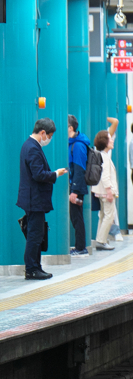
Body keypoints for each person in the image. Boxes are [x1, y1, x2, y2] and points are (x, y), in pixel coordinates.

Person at [19, 118, 67, 280]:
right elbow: (38, 174)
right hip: (34, 199)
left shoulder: (29, 145)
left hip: (33, 198)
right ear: (42, 133)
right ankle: (32, 269)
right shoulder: (32, 148)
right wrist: (56, 174)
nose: (50, 139)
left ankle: (35, 267)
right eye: (50, 135)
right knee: (35, 234)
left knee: (36, 233)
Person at [92, 126, 119, 252]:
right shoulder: (105, 157)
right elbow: (105, 175)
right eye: (110, 139)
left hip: (100, 191)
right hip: (105, 191)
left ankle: (100, 239)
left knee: (103, 215)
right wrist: (109, 190)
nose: (112, 141)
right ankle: (101, 241)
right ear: (105, 142)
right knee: (109, 215)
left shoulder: (100, 155)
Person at [67, 114, 90, 256]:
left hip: (76, 186)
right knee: (75, 216)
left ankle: (81, 247)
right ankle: (79, 246)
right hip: (74, 185)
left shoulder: (78, 145)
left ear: (70, 127)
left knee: (77, 217)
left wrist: (74, 190)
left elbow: (79, 168)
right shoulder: (73, 143)